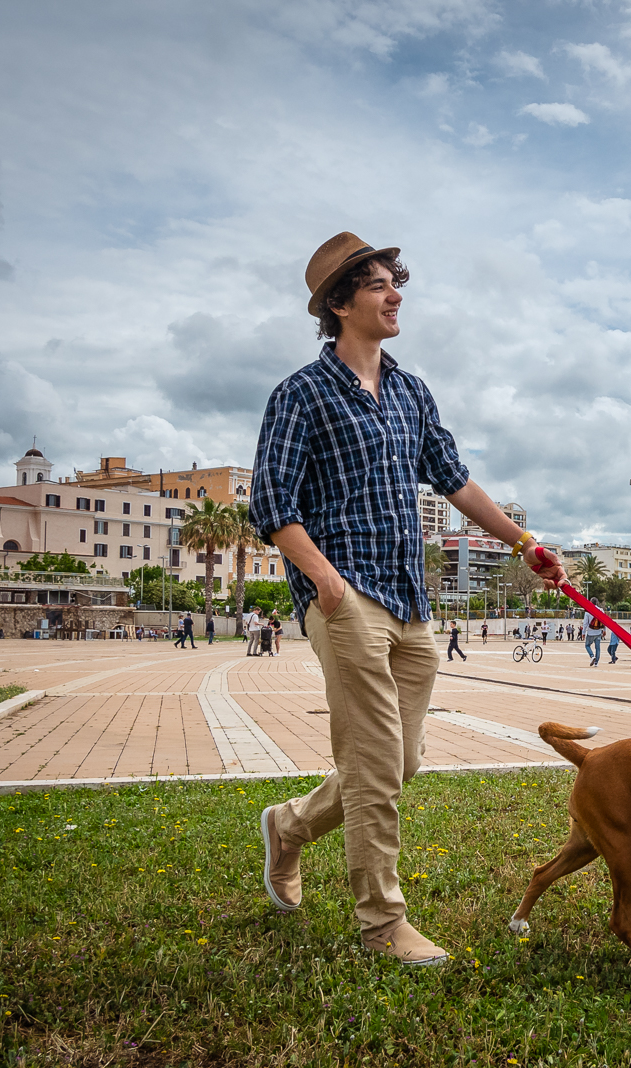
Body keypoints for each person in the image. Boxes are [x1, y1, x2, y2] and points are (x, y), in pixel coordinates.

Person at [250, 233, 565, 968]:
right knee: (373, 760)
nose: (395, 295)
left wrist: (525, 544)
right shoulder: (300, 393)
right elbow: (271, 500)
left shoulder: (411, 392)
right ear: (339, 304)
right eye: (378, 285)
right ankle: (382, 923)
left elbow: (453, 479)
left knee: (402, 760)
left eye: (397, 282)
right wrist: (324, 581)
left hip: (410, 599)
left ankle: (290, 827)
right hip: (344, 595)